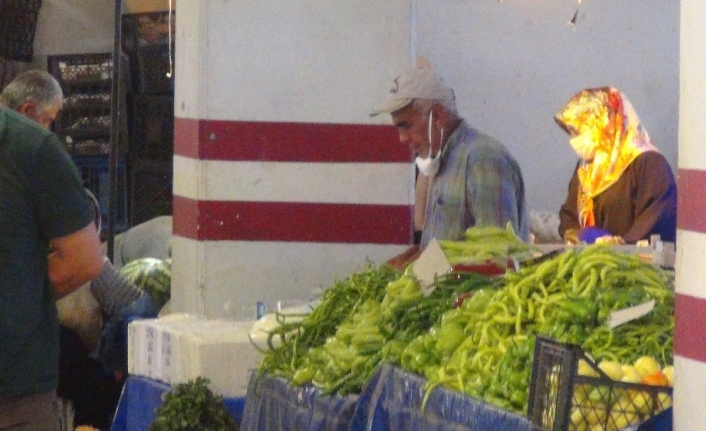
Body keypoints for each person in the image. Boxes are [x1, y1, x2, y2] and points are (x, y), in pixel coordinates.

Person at [0, 70, 104, 430]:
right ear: (29, 110)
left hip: (14, 383)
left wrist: (20, 295)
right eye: (48, 120)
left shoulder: (30, 148)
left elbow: (84, 260)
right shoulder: (33, 148)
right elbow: (85, 259)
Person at [371, 66, 529, 268]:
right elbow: (450, 246)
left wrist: (423, 274)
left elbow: (498, 257)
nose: (402, 139)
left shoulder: (482, 159)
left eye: (406, 125)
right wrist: (410, 264)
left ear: (437, 117)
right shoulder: (441, 159)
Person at [554, 87, 677, 245]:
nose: (574, 140)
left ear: (603, 124)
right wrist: (575, 235)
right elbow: (569, 214)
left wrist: (620, 244)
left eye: (578, 131)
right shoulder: (588, 168)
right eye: (571, 132)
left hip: (633, 264)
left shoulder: (649, 164)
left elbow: (658, 215)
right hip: (591, 263)